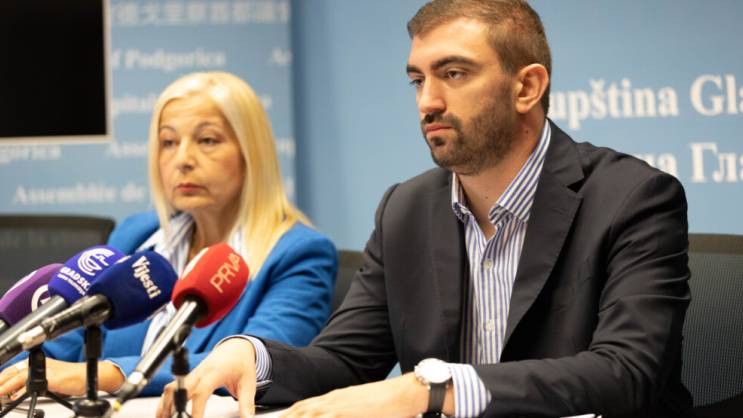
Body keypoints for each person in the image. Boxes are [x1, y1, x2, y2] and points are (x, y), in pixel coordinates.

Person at [158, 2, 693, 417]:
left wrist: (429, 390)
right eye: (418, 79)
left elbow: (626, 372)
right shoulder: (406, 209)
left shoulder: (632, 198)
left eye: (453, 74)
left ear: (527, 87)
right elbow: (344, 360)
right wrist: (252, 356)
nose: (427, 101)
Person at [0, 72, 337, 398]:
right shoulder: (136, 235)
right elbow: (68, 341)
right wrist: (19, 362)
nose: (183, 159)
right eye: (168, 142)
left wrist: (100, 375)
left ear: (252, 153)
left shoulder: (299, 254)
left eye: (207, 140)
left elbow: (249, 363)